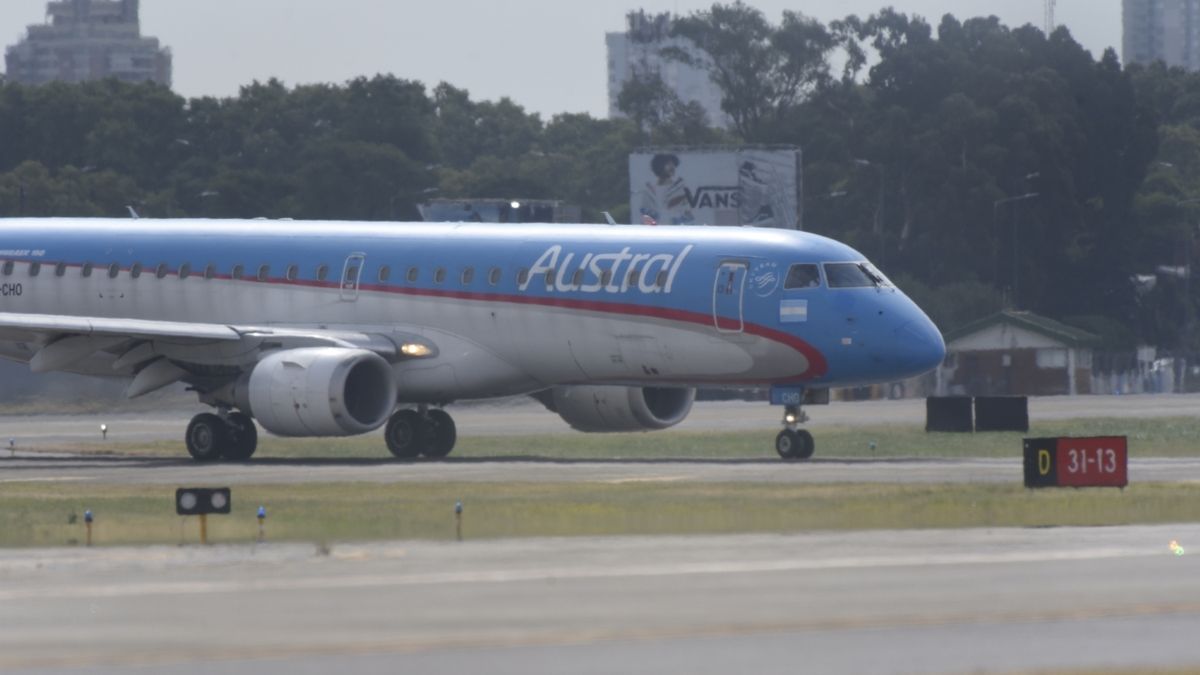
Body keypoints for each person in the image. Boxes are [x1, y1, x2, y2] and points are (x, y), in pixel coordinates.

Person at [638, 153, 694, 225]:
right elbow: (645, 213)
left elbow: (687, 211)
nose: (672, 167)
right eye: (668, 164)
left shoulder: (680, 188)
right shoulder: (649, 191)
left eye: (673, 164)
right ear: (659, 166)